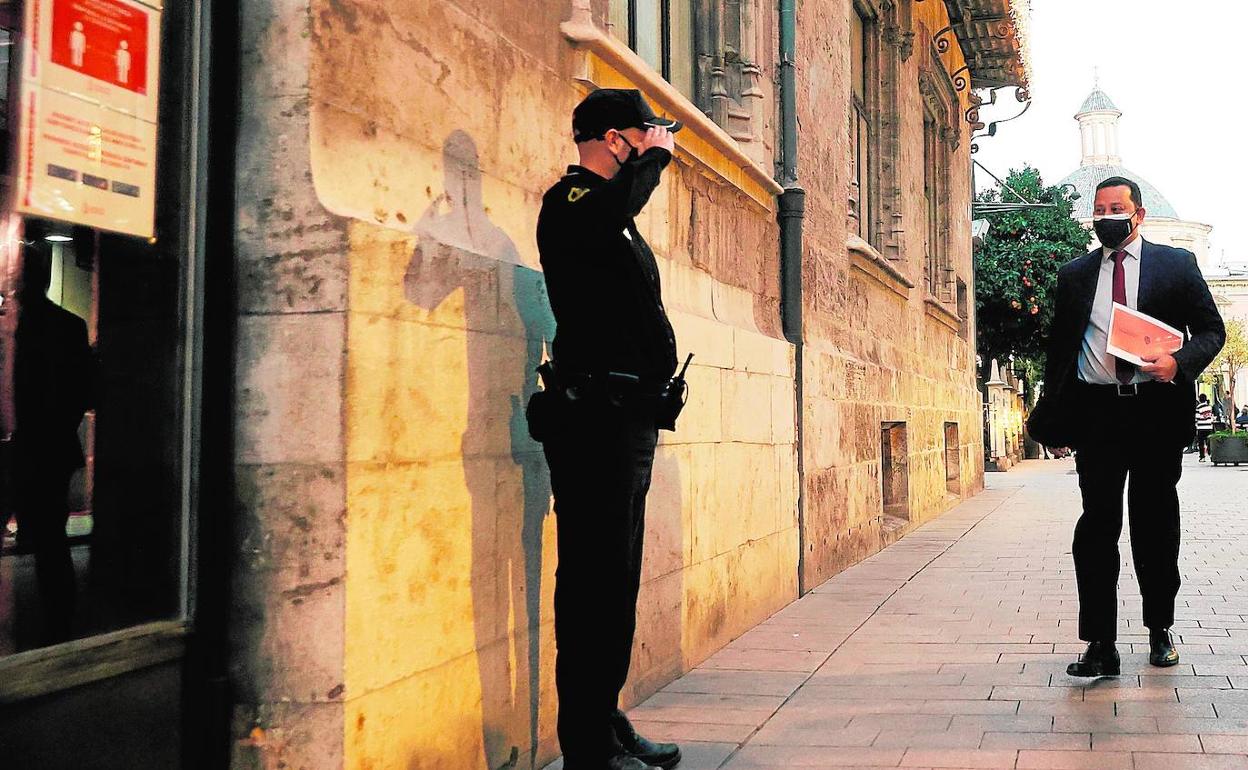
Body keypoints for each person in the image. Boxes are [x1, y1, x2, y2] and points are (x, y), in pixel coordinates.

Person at [533, 89, 685, 770]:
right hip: (593, 420)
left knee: (617, 585)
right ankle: (586, 749)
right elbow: (601, 219)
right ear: (609, 138)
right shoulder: (572, 203)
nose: (645, 149)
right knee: (592, 586)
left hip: (630, 418)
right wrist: (650, 166)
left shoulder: (615, 216)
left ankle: (604, 719)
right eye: (637, 136)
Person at [1027, 176, 1225, 677]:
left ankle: (1160, 628)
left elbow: (1211, 330)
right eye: (1099, 208)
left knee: (1155, 524)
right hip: (1098, 415)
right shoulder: (1075, 275)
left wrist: (1179, 364)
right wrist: (1057, 411)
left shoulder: (1175, 265)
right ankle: (1100, 642)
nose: (1106, 216)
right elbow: (1060, 350)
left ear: (1136, 214)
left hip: (1156, 409)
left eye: (1116, 207)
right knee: (1096, 527)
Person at [11, 247, 92, 645]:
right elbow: (83, 390)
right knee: (49, 541)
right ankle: (58, 624)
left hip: (33, 445)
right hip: (49, 446)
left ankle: (57, 624)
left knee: (48, 540)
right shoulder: (68, 326)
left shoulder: (26, 328)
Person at [1195, 394, 1215, 462]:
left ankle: (1202, 457)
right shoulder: (1209, 407)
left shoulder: (1198, 407)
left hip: (1201, 427)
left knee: (1201, 443)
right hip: (1209, 426)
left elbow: (1197, 417)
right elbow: (1211, 416)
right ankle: (1211, 455)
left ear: (1200, 399)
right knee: (1209, 442)